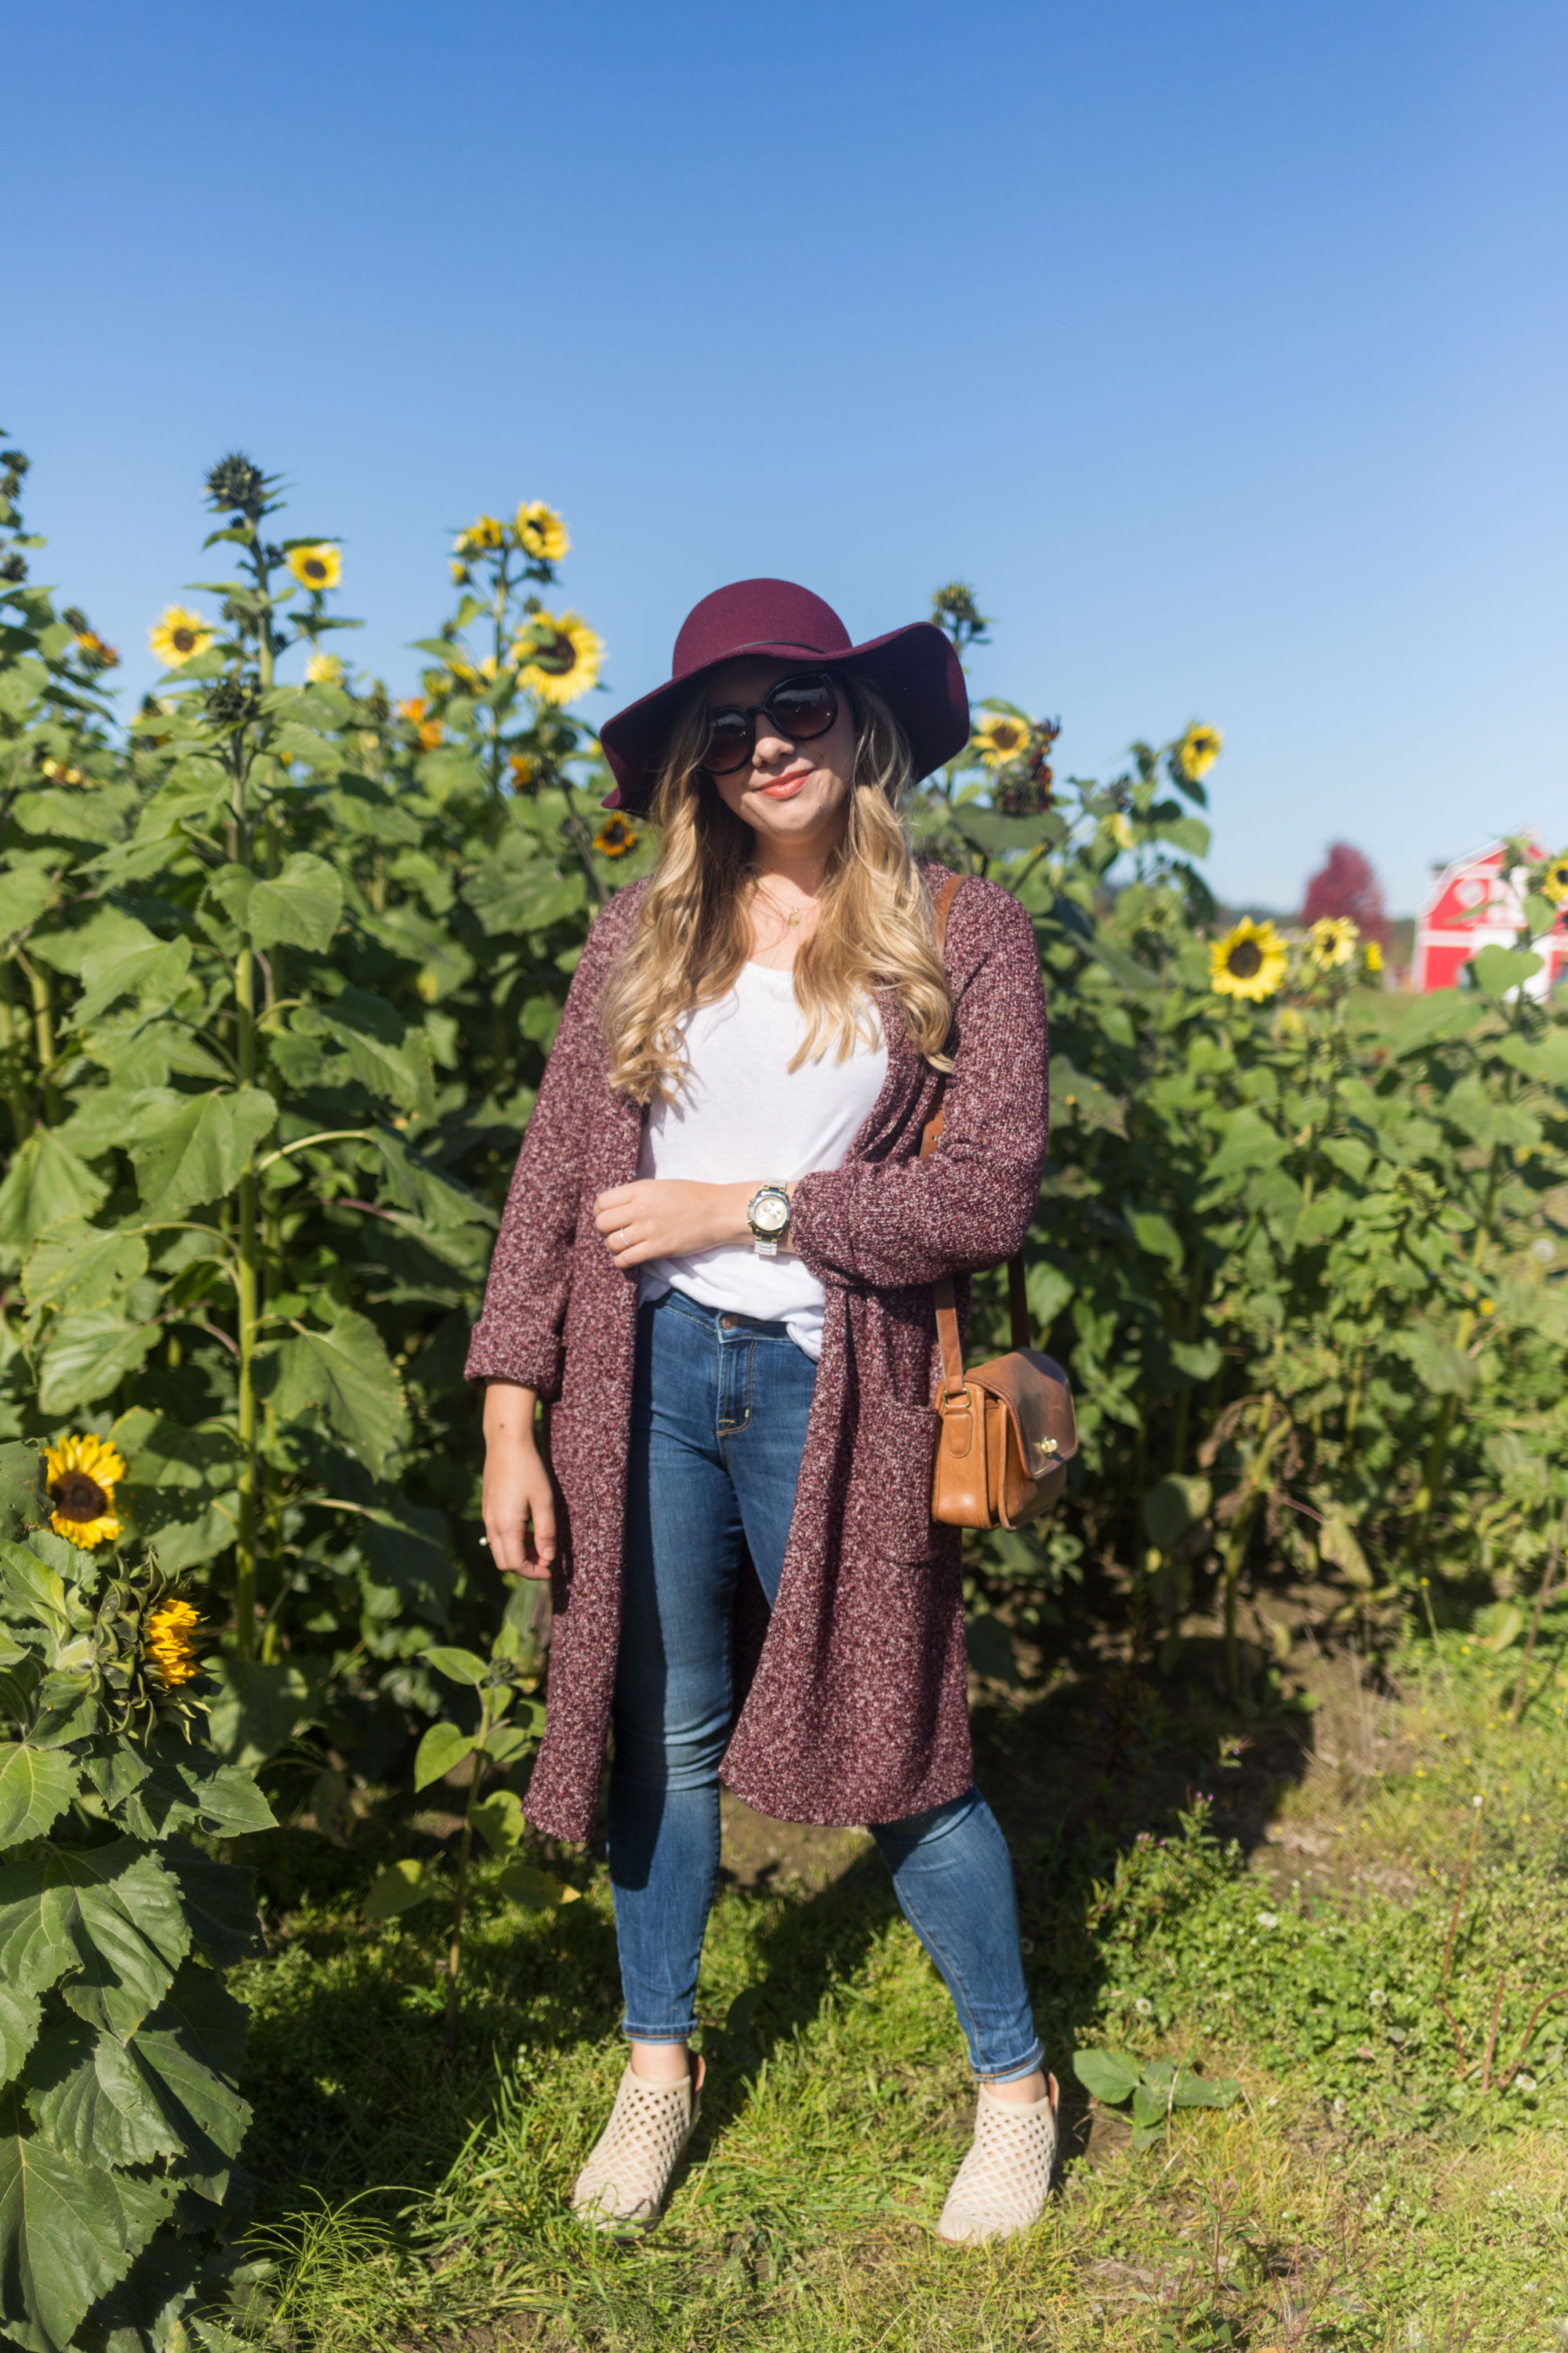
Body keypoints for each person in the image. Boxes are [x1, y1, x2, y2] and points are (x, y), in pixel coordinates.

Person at [467, 577, 1053, 2243]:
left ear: (857, 722)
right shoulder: (637, 937)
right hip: (641, 1382)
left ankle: (1014, 2088)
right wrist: (513, 1410)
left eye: (794, 706)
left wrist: (752, 1209)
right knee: (658, 1733)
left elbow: (988, 1197)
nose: (765, 745)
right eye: (725, 727)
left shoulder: (962, 932)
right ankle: (658, 2065)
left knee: (901, 1739)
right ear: (693, 769)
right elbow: (550, 1188)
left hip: (843, 1387)